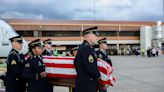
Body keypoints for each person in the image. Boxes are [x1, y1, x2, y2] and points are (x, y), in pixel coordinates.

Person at [74, 26, 100, 92]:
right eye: (95, 35)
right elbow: (91, 68)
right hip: (87, 86)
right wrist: (99, 76)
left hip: (83, 84)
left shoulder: (84, 47)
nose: (97, 37)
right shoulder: (87, 49)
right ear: (88, 36)